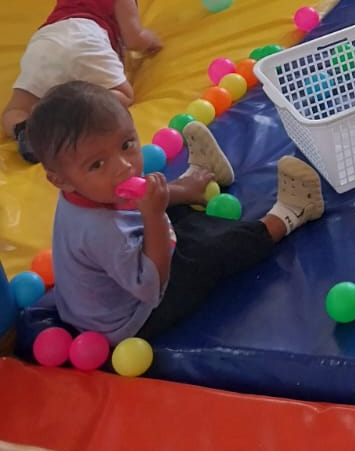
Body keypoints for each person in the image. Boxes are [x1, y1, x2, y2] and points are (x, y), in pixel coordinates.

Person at [25, 81, 326, 343]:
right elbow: (151, 286)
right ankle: (289, 214)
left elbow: (137, 203)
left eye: (127, 144)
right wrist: (154, 216)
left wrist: (176, 195)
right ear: (60, 180)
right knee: (205, 252)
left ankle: (198, 181)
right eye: (97, 164)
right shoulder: (101, 231)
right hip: (133, 317)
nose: (124, 167)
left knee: (159, 200)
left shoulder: (88, 188)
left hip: (112, 285)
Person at [3, 0, 161, 162]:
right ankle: (67, 113)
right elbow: (134, 39)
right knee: (124, 96)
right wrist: (153, 41)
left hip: (45, 43)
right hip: (85, 41)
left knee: (16, 108)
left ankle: (24, 130)